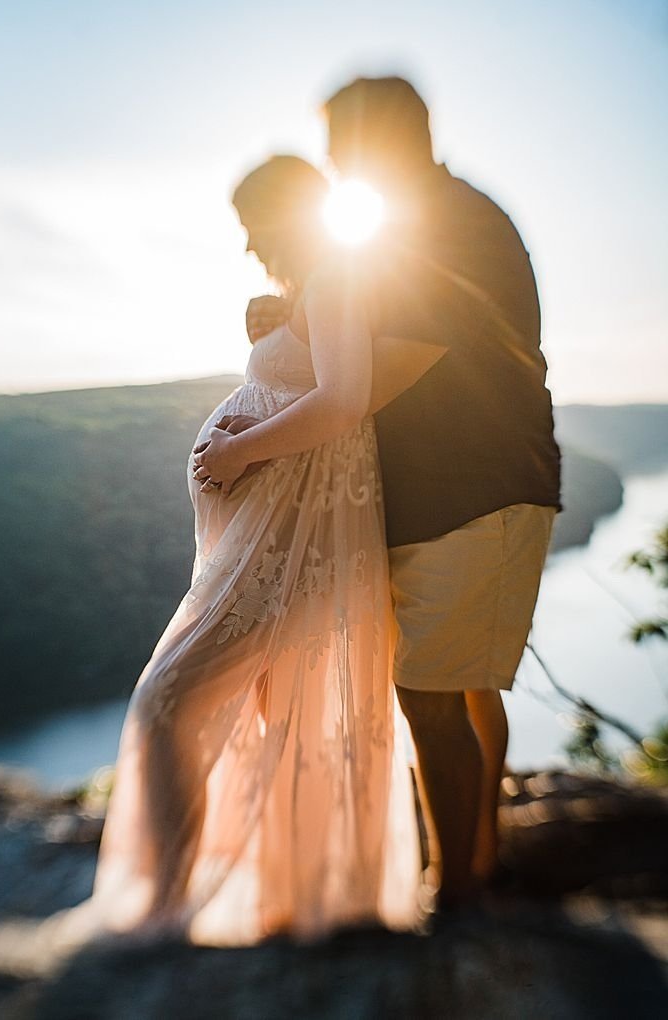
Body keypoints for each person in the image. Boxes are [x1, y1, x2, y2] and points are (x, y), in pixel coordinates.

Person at [48, 154, 424, 952]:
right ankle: (237, 890)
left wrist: (239, 452)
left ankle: (167, 909)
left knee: (169, 702)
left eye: (256, 226)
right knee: (243, 714)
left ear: (291, 216)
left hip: (293, 555)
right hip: (268, 547)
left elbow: (343, 399)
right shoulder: (314, 288)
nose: (251, 245)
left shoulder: (334, 279)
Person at [242, 77, 562, 908]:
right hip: (443, 490)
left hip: (479, 488)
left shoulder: (451, 225)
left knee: (433, 694)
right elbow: (368, 334)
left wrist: (260, 429)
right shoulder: (414, 225)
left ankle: (455, 896)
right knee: (459, 684)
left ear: (386, 138)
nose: (336, 164)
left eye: (343, 147)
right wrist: (291, 315)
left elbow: (378, 374)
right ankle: (481, 863)